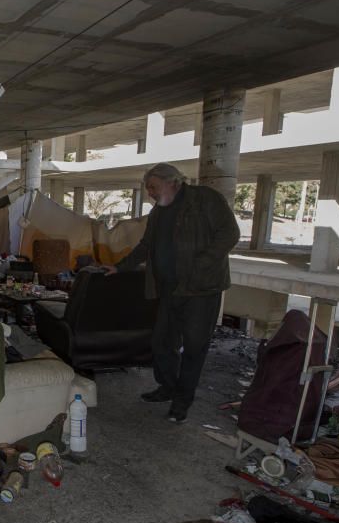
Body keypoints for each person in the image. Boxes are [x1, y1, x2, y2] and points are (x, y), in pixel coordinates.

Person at [102, 163, 240, 423]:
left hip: (201, 289)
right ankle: (167, 387)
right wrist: (120, 267)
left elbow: (230, 234)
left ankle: (182, 402)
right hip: (170, 289)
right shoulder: (159, 211)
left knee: (194, 348)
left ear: (172, 181)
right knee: (162, 343)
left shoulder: (205, 199)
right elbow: (146, 245)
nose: (150, 193)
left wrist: (201, 263)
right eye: (148, 189)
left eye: (153, 187)